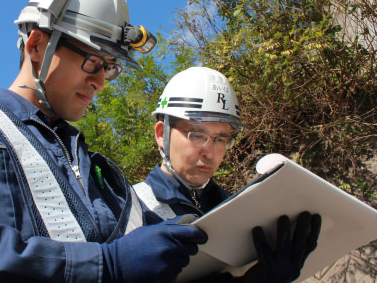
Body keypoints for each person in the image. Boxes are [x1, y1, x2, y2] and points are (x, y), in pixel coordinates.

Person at [0, 0, 207, 282]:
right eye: (93, 61)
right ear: (37, 44)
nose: (101, 82)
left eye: (110, 67)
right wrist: (103, 266)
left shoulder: (108, 179)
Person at [134, 66, 322, 282]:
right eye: (197, 135)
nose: (210, 152)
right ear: (161, 134)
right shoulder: (130, 208)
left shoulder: (235, 209)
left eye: (221, 139)